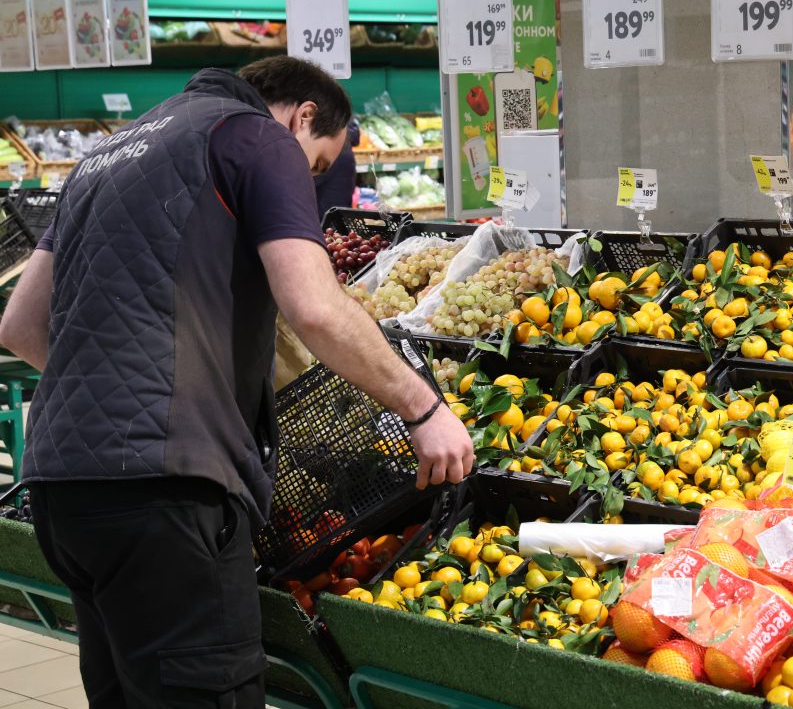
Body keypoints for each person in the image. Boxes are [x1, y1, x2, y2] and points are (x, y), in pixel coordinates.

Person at [0, 57, 474, 709]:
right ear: (304, 117)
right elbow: (314, 306)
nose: (308, 178)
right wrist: (425, 410)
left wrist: (116, 391)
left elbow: (21, 325)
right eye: (317, 165)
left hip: (62, 490)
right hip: (165, 495)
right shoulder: (255, 137)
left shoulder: (106, 155)